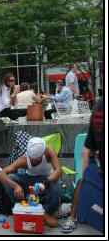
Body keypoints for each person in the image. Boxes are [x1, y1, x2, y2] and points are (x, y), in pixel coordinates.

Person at [61, 99, 104, 233]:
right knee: (81, 181)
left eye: (101, 119)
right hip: (98, 163)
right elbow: (87, 148)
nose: (98, 123)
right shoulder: (94, 124)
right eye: (96, 118)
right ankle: (72, 218)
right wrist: (84, 174)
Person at [0, 137, 61, 227]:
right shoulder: (23, 160)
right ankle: (25, 207)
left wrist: (45, 182)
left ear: (43, 153)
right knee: (10, 177)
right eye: (32, 158)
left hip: (47, 180)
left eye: (37, 159)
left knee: (56, 182)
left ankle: (44, 212)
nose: (34, 160)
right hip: (29, 180)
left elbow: (58, 171)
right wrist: (16, 186)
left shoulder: (49, 151)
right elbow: (1, 174)